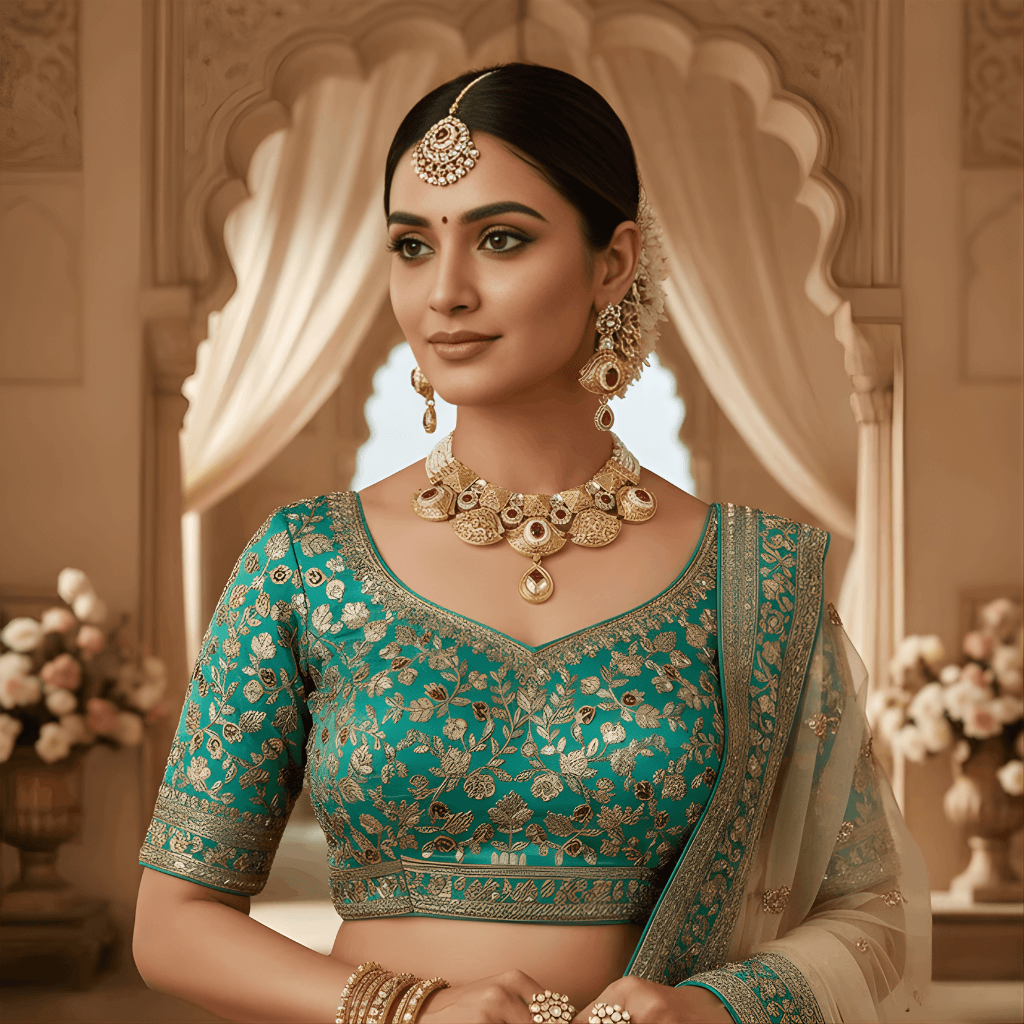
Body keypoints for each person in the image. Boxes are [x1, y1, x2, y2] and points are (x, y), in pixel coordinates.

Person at [133, 63, 930, 1024]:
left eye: (500, 239)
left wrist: (710, 1010)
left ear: (613, 262)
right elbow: (173, 924)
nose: (446, 292)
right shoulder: (305, 563)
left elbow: (871, 918)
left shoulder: (755, 580)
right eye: (412, 246)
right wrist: (411, 1011)